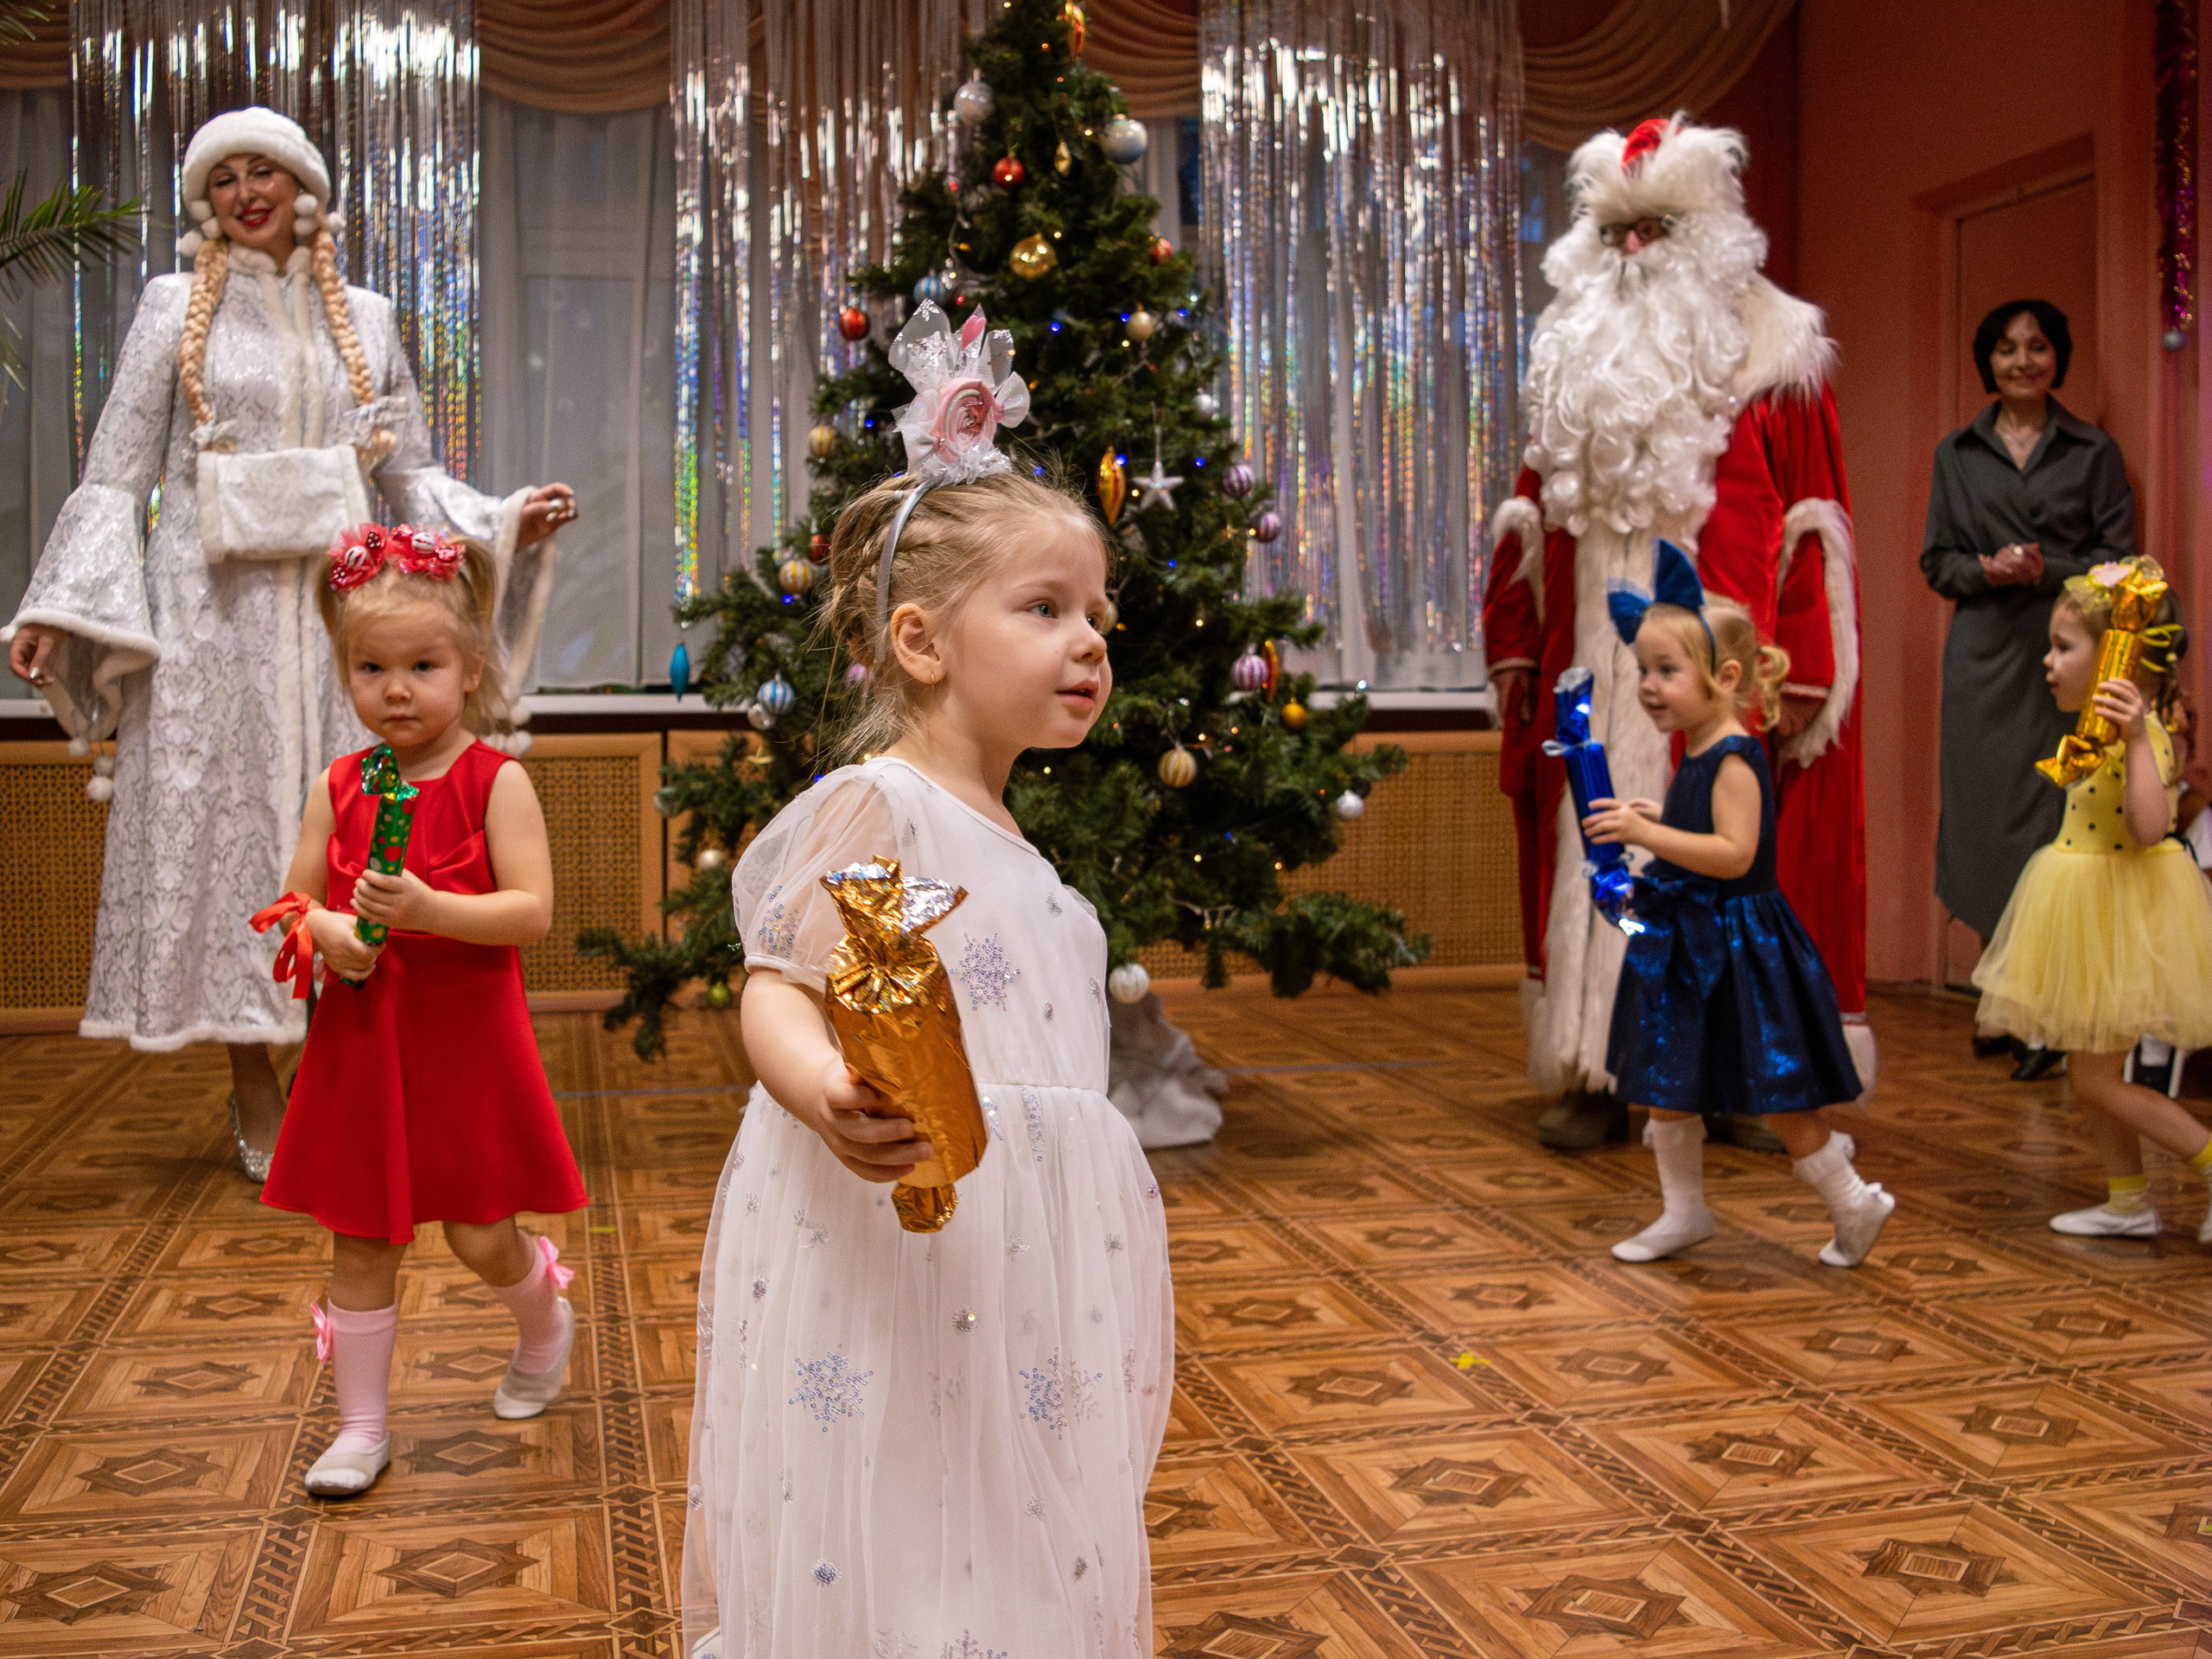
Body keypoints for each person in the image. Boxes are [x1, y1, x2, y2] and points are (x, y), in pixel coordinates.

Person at [682, 305, 1169, 1659]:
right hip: (902, 1228)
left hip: (1028, 1262)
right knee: (904, 1496)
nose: (1091, 643)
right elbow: (775, 984)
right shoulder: (878, 808)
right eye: (1045, 608)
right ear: (919, 641)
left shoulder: (1029, 856)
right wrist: (822, 1089)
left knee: (1011, 1497)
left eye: (1098, 616)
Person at [2, 107, 569, 1180]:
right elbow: (119, 471)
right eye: (224, 179)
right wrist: (52, 606)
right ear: (206, 202)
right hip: (206, 621)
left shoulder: (367, 313)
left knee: (350, 835)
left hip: (336, 622)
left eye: (265, 172)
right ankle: (251, 1080)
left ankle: (341, 1066)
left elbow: (404, 481)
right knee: (226, 848)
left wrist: (503, 520)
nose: (246, 192)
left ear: (304, 190)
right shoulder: (172, 308)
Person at [1484, 115, 1871, 1152]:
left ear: (1708, 231)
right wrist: (1515, 649)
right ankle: (1595, 1068)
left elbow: (1812, 527)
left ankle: (1738, 1080)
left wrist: (1800, 675)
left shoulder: (1777, 355)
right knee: (1597, 854)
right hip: (1590, 670)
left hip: (1722, 670)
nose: (1634, 250)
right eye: (1615, 230)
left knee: (1726, 876)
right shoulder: (1569, 358)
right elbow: (1524, 523)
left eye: (1655, 224)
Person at [251, 523, 585, 1497]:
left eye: (423, 665)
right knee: (362, 1237)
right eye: (371, 667)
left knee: (481, 1233)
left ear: (471, 667)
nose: (396, 690)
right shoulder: (341, 785)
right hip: (363, 1046)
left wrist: (432, 910)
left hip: (465, 1049)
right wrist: (329, 934)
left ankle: (542, 1322)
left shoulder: (497, 781)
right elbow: (294, 900)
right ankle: (360, 1429)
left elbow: (531, 912)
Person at [1583, 550, 1886, 1268]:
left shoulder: (1733, 756)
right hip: (1687, 942)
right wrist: (1660, 813)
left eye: (1666, 671)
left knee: (1776, 1088)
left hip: (1737, 947)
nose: (1649, 687)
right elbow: (1707, 832)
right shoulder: (1697, 751)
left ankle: (1851, 1201)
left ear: (1723, 679)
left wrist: (1645, 833)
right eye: (1644, 671)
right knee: (1667, 1074)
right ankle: (1683, 1211)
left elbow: (1737, 854)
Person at [1923, 299, 2136, 1080]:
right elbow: (1936, 560)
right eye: (2007, 350)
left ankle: (2045, 1011)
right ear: (1989, 364)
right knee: (1982, 822)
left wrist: (2044, 568)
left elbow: (2121, 560)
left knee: (2055, 823)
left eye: (2037, 347)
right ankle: (1995, 997)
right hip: (1981, 657)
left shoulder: (2094, 450)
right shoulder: (1956, 453)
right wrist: (1983, 570)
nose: (2022, 362)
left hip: (2068, 654)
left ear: (2058, 359)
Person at [1971, 556, 2212, 1240]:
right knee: (2089, 1073)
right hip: (2088, 910)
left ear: (2115, 659)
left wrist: (2138, 738)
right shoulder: (2094, 735)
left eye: (2063, 647)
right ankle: (2127, 1201)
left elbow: (2148, 827)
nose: (2047, 661)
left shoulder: (2147, 737)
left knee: (2102, 1080)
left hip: (2121, 917)